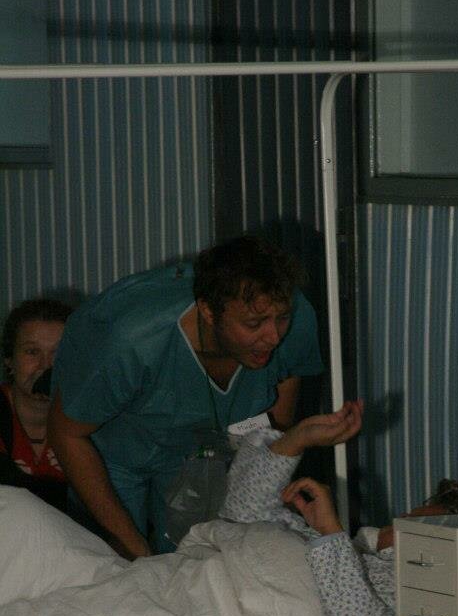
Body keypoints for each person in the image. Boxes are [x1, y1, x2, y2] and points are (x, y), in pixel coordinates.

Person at [48, 236, 324, 559]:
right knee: (119, 561)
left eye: (282, 319)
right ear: (208, 311)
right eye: (254, 323)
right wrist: (130, 543)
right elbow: (66, 433)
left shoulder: (293, 318)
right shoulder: (129, 341)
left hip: (197, 450)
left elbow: (276, 426)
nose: (273, 336)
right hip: (108, 449)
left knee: (199, 557)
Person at [221, 398, 437, 616]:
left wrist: (330, 534)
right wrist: (298, 439)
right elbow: (242, 515)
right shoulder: (354, 554)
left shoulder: (413, 592)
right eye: (410, 514)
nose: (403, 519)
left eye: (420, 523)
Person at [0, 297, 72, 512]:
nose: (46, 365)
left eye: (59, 353)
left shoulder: (94, 421)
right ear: (9, 360)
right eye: (32, 352)